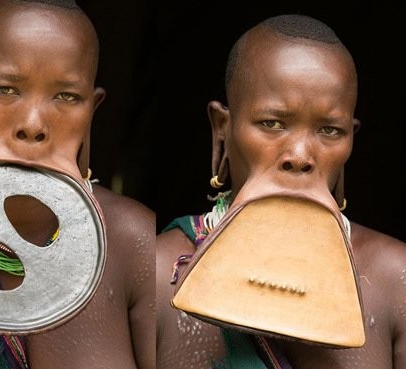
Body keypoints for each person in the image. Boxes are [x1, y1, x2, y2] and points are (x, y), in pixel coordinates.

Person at [0, 1, 155, 368]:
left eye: (66, 97)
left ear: (91, 112)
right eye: (6, 89)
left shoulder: (138, 243)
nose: (34, 124)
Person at [156, 14, 406, 369]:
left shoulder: (395, 279)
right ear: (222, 128)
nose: (300, 156)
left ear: (352, 138)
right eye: (271, 124)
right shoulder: (157, 272)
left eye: (330, 131)